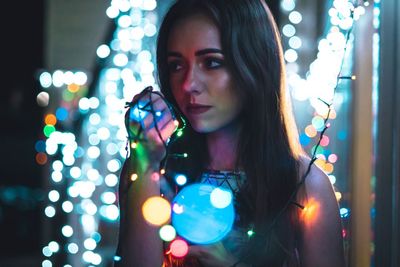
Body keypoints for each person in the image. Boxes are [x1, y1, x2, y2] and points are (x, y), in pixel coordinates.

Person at [115, 0, 345, 266]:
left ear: (254, 64)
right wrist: (145, 163)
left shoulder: (305, 184)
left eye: (212, 63)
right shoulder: (153, 170)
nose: (189, 84)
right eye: (177, 65)